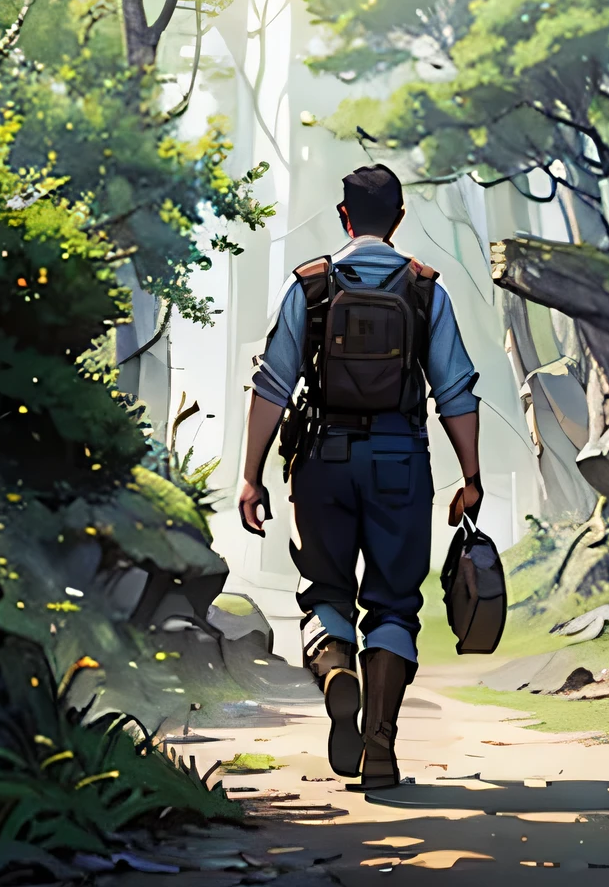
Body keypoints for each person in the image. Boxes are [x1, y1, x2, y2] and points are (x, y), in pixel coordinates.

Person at [234, 164, 483, 791]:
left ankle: (336, 668)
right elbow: (455, 390)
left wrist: (251, 475)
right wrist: (471, 475)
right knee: (395, 602)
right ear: (397, 220)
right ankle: (380, 746)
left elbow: (271, 383)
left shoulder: (311, 286)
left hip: (321, 459)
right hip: (402, 460)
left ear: (344, 217)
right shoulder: (426, 290)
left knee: (325, 590)